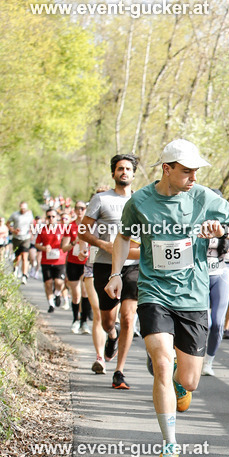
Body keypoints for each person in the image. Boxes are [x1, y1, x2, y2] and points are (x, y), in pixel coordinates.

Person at [106, 139, 229, 457]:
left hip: (193, 296)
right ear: (167, 169)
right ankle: (169, 446)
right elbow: (124, 237)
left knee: (189, 380)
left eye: (196, 171)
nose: (193, 177)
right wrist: (116, 273)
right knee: (161, 363)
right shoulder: (141, 201)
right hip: (154, 292)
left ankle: (181, 383)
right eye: (187, 171)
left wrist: (221, 229)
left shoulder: (204, 198)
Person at [81, 154, 140, 385]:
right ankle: (111, 336)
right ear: (113, 173)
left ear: (133, 174)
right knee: (107, 320)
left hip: (133, 265)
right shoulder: (100, 199)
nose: (124, 172)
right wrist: (102, 244)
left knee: (128, 317)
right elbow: (83, 231)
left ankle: (119, 371)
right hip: (105, 264)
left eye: (128, 169)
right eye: (120, 169)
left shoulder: (142, 200)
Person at [202, 228, 229, 375]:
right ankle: (195, 357)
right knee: (205, 322)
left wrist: (224, 231)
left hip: (220, 274)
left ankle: (208, 361)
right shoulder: (194, 217)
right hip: (199, 276)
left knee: (217, 323)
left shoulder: (223, 217)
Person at [61, 201, 92, 334]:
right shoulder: (71, 226)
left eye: (82, 208)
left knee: (85, 292)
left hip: (87, 263)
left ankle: (84, 322)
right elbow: (64, 248)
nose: (80, 210)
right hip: (73, 263)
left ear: (86, 210)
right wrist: (75, 242)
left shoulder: (92, 225)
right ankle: (75, 320)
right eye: (77, 208)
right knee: (76, 295)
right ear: (74, 210)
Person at [35, 206, 66, 311]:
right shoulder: (42, 230)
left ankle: (57, 294)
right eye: (49, 217)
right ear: (46, 218)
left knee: (59, 282)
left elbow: (67, 241)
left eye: (53, 216)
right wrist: (43, 247)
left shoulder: (62, 229)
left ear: (57, 217)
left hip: (59, 260)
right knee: (48, 283)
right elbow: (37, 244)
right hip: (46, 260)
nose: (51, 218)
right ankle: (51, 304)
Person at [8, 201, 34, 283]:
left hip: (26, 238)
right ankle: (15, 269)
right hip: (17, 238)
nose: (23, 210)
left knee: (24, 257)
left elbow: (32, 224)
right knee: (17, 257)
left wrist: (32, 232)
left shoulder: (29, 215)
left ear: (26, 208)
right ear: (19, 207)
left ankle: (24, 275)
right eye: (21, 208)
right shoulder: (15, 214)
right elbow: (8, 223)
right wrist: (13, 230)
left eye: (24, 208)